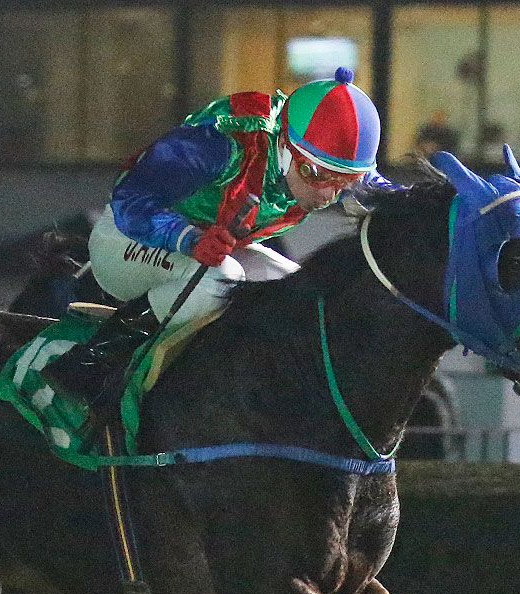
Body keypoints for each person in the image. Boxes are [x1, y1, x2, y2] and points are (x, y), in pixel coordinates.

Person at [50, 67, 391, 400]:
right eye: (316, 174)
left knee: (303, 292)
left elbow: (384, 193)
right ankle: (92, 358)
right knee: (222, 278)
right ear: (285, 146)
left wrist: (423, 202)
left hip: (214, 250)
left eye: (346, 181)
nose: (329, 194)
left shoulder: (320, 160)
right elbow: (128, 198)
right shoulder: (222, 143)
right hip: (126, 240)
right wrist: (188, 239)